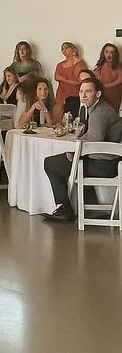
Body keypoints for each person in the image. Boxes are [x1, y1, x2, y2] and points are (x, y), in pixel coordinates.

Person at [43, 78, 121, 222]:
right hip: (108, 160)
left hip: (107, 165)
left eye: (88, 91)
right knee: (68, 161)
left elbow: (94, 138)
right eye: (81, 91)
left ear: (98, 94)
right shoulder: (96, 107)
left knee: (51, 163)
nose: (83, 95)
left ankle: (64, 208)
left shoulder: (99, 111)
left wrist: (74, 149)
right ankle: (90, 206)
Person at [94, 43, 122, 114]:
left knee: (113, 114)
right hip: (102, 95)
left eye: (112, 52)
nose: (109, 55)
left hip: (115, 95)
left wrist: (107, 86)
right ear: (103, 53)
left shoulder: (118, 66)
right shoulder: (100, 65)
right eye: (107, 52)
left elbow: (120, 80)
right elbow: (96, 79)